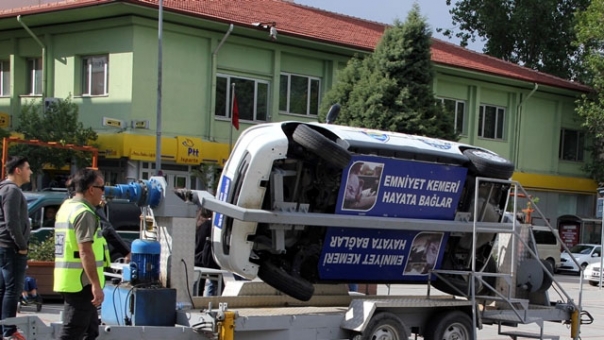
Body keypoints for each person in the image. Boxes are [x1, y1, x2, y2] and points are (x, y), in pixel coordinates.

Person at [54, 168, 111, 340]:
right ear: (91, 189)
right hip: (82, 282)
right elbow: (85, 252)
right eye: (102, 188)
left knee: (90, 330)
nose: (103, 193)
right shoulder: (84, 213)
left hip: (72, 279)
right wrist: (95, 284)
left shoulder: (67, 207)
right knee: (73, 331)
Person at [0, 156, 32, 340]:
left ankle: (4, 328)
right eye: (28, 168)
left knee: (4, 289)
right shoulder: (12, 191)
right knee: (12, 290)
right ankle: (9, 330)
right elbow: (12, 221)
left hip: (4, 246)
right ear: (18, 170)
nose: (30, 171)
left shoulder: (4, 188)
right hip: (11, 247)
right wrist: (21, 245)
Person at [194, 208, 221, 296]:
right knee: (217, 284)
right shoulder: (210, 225)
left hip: (197, 259)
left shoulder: (199, 226)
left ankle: (198, 302)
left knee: (199, 287)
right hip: (207, 260)